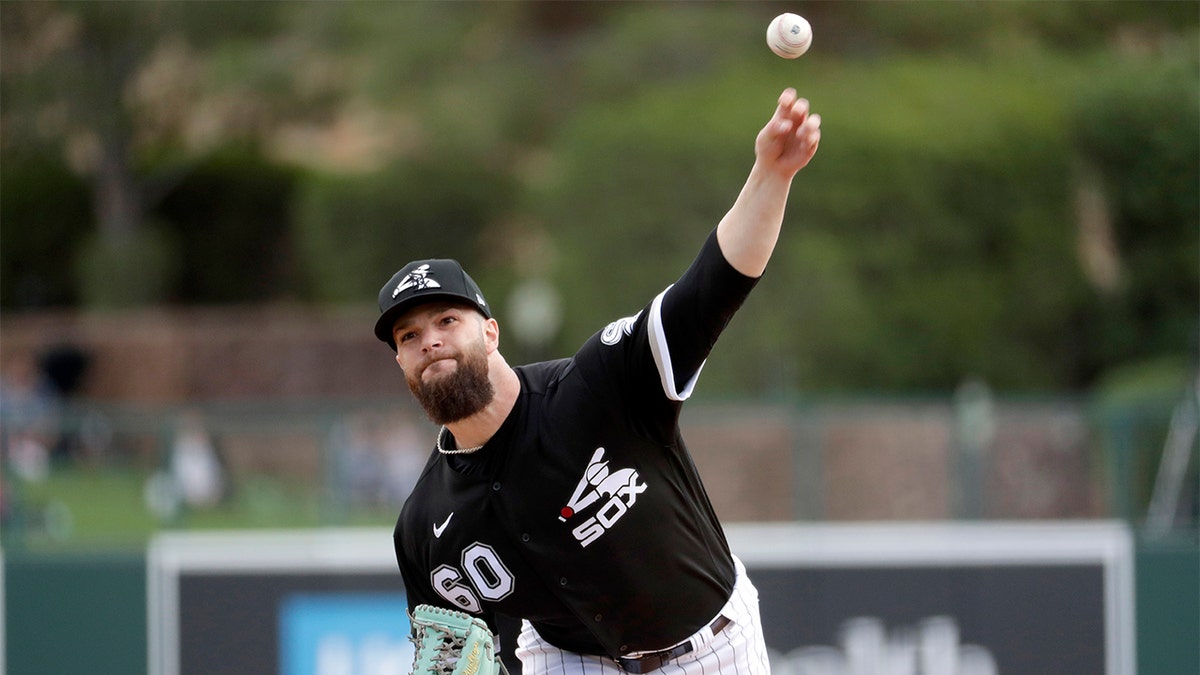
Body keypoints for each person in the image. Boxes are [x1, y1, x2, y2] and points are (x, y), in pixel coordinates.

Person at [374, 88, 821, 675]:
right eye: (408, 337)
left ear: (490, 333)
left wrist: (771, 173)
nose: (428, 340)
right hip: (569, 661)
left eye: (447, 320)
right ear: (402, 366)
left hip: (709, 645)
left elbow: (712, 286)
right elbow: (445, 656)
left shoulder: (599, 385)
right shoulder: (424, 523)